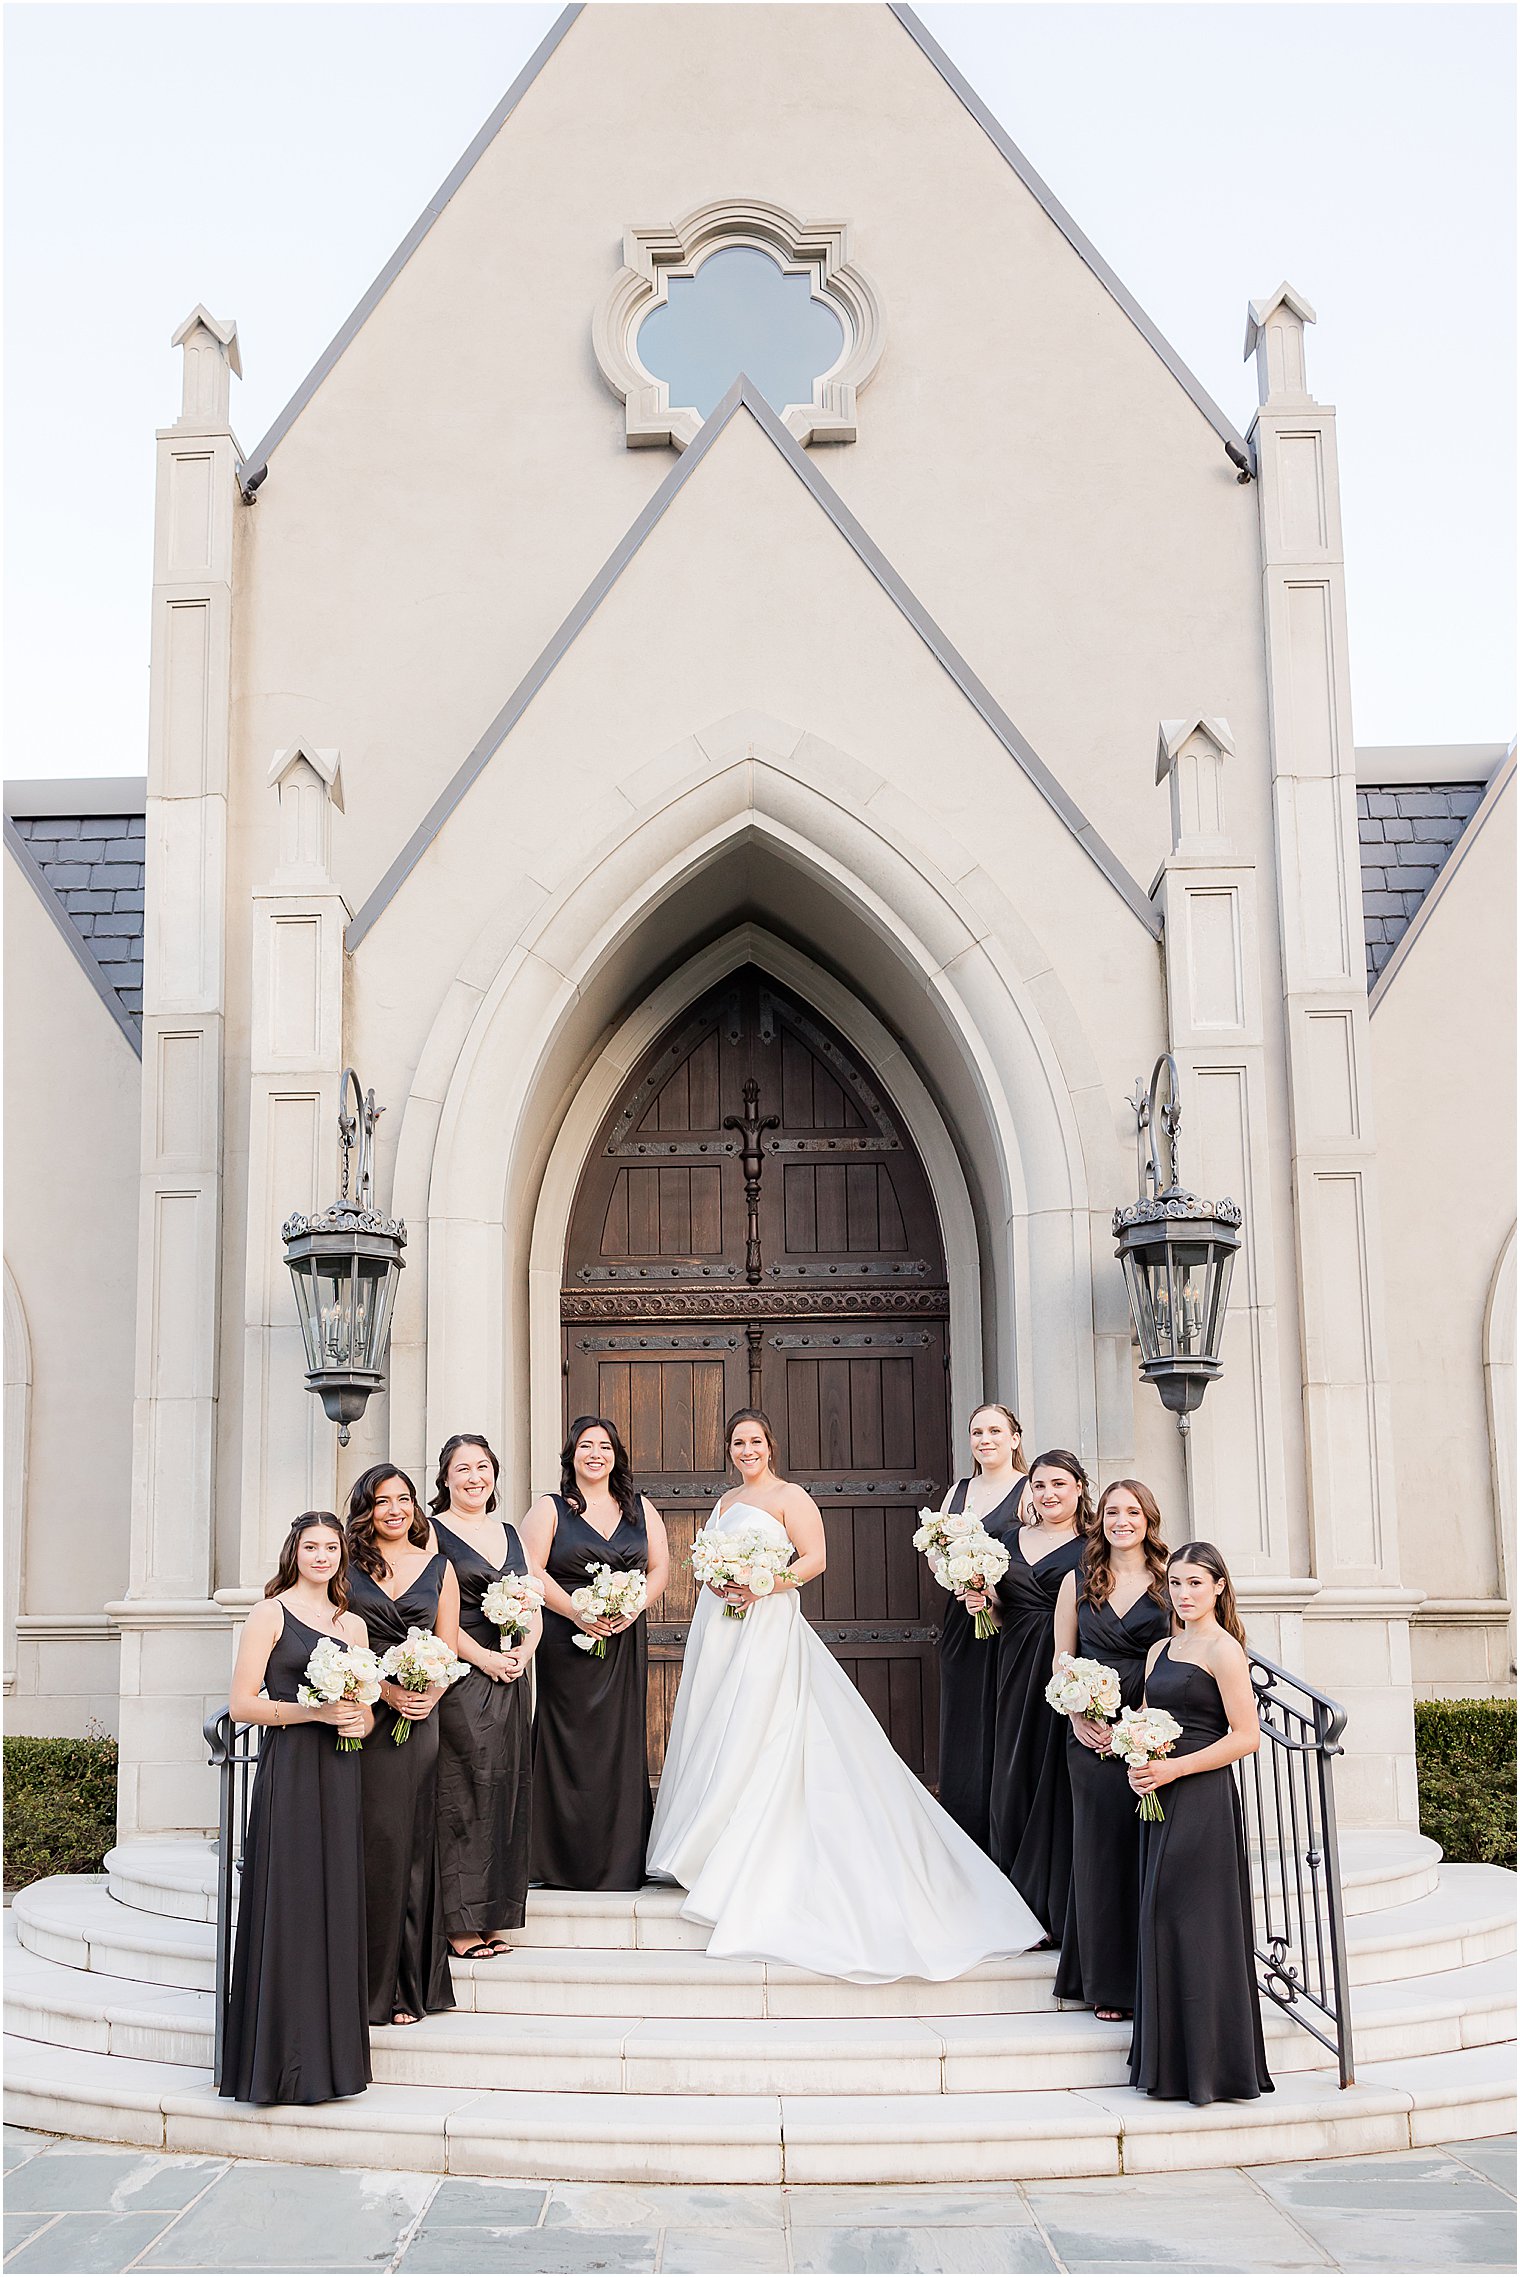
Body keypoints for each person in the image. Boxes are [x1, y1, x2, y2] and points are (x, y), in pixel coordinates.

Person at [646, 1408, 1043, 1981]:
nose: (747, 1450)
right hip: (722, 1628)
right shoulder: (726, 1503)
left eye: (755, 1441)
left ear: (771, 1445)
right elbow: (707, 1561)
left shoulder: (791, 1497)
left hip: (768, 1625)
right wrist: (717, 1580)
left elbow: (816, 1560)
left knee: (764, 1724)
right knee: (718, 1723)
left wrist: (762, 1584)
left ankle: (741, 1845)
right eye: (737, 1442)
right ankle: (708, 1837)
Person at [221, 1512, 372, 2105]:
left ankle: (332, 2067)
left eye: (331, 1547)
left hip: (340, 1771)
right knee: (291, 1902)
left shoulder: (353, 1625)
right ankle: (279, 2065)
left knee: (335, 1905)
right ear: (295, 1552)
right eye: (312, 1547)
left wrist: (358, 1718)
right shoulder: (270, 1613)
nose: (322, 1556)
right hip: (291, 1772)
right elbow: (241, 1705)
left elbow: (360, 1710)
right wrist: (312, 1712)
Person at [1128, 1541, 1274, 2105]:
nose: (1183, 1594)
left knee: (1194, 1918)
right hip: (1158, 1792)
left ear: (1218, 1587)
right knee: (1160, 1915)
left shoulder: (1224, 1650)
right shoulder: (1160, 1648)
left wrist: (1175, 1769)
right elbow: (1146, 1715)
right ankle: (1168, 2066)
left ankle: (1215, 2070)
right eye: (1176, 1584)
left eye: (1195, 1583)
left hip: (1201, 1793)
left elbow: (1246, 1736)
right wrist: (1135, 1755)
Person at [521, 1416, 669, 1890]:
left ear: (615, 1456)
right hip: (565, 1643)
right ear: (571, 1456)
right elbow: (529, 1568)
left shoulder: (639, 1509)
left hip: (623, 1638)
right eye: (586, 1445)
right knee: (568, 1742)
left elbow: (660, 1566)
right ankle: (556, 1861)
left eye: (604, 1446)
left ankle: (619, 1862)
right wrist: (576, 1612)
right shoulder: (549, 1508)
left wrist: (633, 1608)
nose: (595, 1453)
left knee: (618, 1742)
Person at [345, 1463, 460, 2026]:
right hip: (364, 1721)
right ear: (366, 1509)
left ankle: (406, 1986)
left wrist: (427, 1693)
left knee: (412, 1847)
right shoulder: (344, 1568)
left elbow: (447, 1644)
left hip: (420, 1721)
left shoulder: (439, 1568)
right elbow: (332, 1638)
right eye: (383, 1501)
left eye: (405, 1499)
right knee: (372, 1846)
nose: (396, 1509)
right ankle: (364, 1983)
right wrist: (383, 1691)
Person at [1052, 1478, 1170, 2020]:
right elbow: (1062, 1656)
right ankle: (1103, 1981)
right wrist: (1077, 1713)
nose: (1122, 1520)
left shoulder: (1170, 1585)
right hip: (1091, 1733)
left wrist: (1148, 1725)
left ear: (1149, 1518)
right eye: (1112, 1512)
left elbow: (1181, 1654)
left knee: (1146, 1850)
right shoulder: (1078, 1580)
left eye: (1132, 1511)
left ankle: (1153, 1973)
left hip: (1150, 1730)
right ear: (1099, 1519)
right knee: (1098, 1854)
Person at [431, 1433, 540, 1957]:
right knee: (462, 1790)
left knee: (505, 1789)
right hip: (462, 1673)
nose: (474, 1477)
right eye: (462, 1468)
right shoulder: (432, 1534)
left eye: (482, 1467)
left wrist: (524, 1652)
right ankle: (458, 1921)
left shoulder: (510, 1531)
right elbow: (433, 1614)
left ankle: (494, 1913)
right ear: (445, 1478)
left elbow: (532, 1604)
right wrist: (486, 1658)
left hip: (513, 1675)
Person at [987, 1448, 1092, 1938]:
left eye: (1058, 1485)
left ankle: (1058, 1907)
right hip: (1012, 1663)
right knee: (1013, 1774)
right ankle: (1013, 1905)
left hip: (1065, 1667)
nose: (1048, 1494)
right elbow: (1000, 1610)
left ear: (1078, 1489)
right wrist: (981, 1601)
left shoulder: (1093, 1548)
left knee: (1056, 1777)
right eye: (1040, 1485)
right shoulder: (1007, 1539)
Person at [935, 1403, 1032, 1851]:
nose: (985, 1439)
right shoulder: (957, 1492)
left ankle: (1005, 1839)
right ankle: (964, 1838)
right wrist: (961, 1579)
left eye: (995, 1430)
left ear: (1015, 1437)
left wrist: (993, 1590)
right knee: (964, 1724)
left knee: (1005, 1723)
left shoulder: (1031, 1491)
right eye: (977, 1432)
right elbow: (937, 1554)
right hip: (963, 1619)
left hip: (1010, 1622)